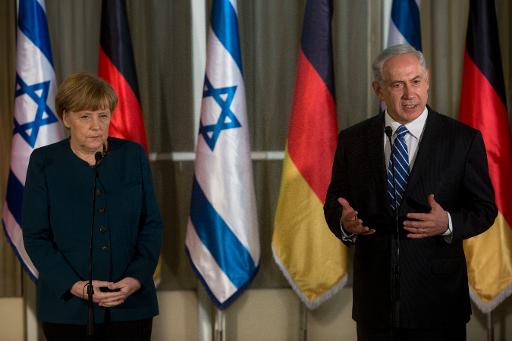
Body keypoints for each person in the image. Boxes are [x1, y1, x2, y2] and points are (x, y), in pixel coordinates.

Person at [324, 44, 497, 341]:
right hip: (375, 305)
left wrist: (448, 223)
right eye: (397, 85)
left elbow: (485, 209)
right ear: (378, 89)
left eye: (416, 82)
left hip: (438, 302)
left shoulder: (462, 140)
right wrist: (344, 223)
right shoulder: (353, 140)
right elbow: (334, 204)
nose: (409, 94)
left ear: (427, 80)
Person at [22, 72, 163, 341]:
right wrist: (75, 286)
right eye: (85, 116)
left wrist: (135, 279)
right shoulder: (44, 162)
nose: (96, 126)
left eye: (103, 115)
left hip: (130, 305)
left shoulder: (132, 156)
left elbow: (151, 225)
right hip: (67, 308)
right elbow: (36, 236)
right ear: (66, 119)